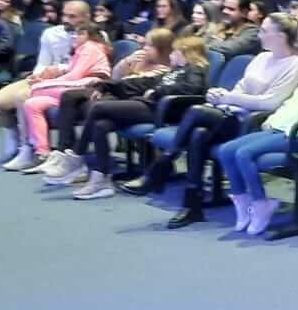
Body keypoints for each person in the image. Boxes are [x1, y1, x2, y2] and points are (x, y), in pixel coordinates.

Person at [119, 14, 298, 228]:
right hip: (231, 113)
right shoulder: (261, 58)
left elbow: (270, 103)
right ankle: (192, 207)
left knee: (197, 112)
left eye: (264, 30)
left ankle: (160, 168)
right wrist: (222, 95)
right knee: (198, 134)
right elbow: (242, 87)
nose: (259, 34)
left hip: (251, 123)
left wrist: (230, 99)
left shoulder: (295, 64)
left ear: (281, 36)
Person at [214, 46, 298, 236]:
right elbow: (288, 106)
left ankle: (261, 204)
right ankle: (242, 202)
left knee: (244, 153)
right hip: (279, 130)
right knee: (226, 150)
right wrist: (272, 120)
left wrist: (295, 126)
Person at [65, 35, 210, 200]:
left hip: (161, 111)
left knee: (98, 107)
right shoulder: (173, 72)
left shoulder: (195, 70)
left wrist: (157, 92)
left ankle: (77, 156)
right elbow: (143, 83)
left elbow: (193, 89)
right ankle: (101, 179)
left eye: (175, 51)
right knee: (101, 124)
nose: (171, 55)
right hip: (148, 106)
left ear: (187, 53)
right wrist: (107, 85)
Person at [0, 0, 89, 164]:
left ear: (86, 17)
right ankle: (17, 135)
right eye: (65, 15)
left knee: (23, 97)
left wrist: (58, 72)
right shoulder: (51, 33)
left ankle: (29, 149)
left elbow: (86, 67)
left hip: (69, 82)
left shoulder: (95, 35)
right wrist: (38, 76)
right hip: (45, 78)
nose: (66, 20)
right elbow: (43, 62)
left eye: (72, 16)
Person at [17, 24, 112, 170]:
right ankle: (43, 153)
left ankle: (64, 153)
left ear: (90, 36)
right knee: (32, 104)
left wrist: (45, 83)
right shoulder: (79, 49)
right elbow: (70, 73)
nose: (75, 36)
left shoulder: (91, 47)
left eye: (80, 33)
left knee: (36, 89)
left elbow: (75, 76)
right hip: (74, 86)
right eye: (74, 34)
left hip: (89, 85)